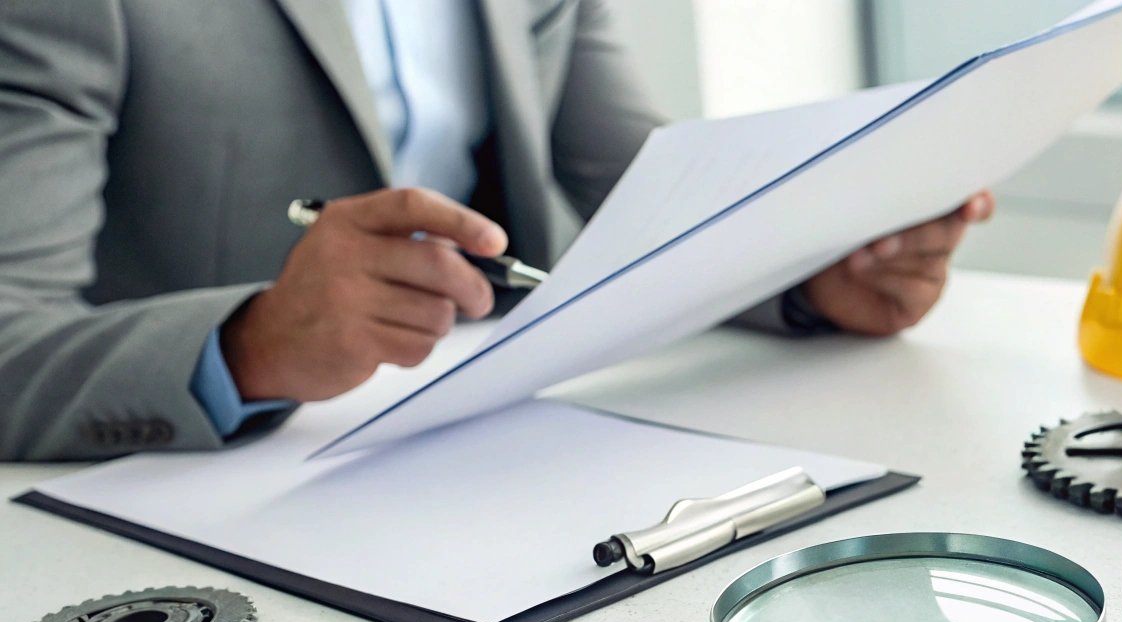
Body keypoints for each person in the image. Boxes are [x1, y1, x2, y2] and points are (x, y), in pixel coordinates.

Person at [0, 0, 993, 461]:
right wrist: (253, 342)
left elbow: (655, 195)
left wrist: (813, 282)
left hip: (502, 456)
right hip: (199, 520)